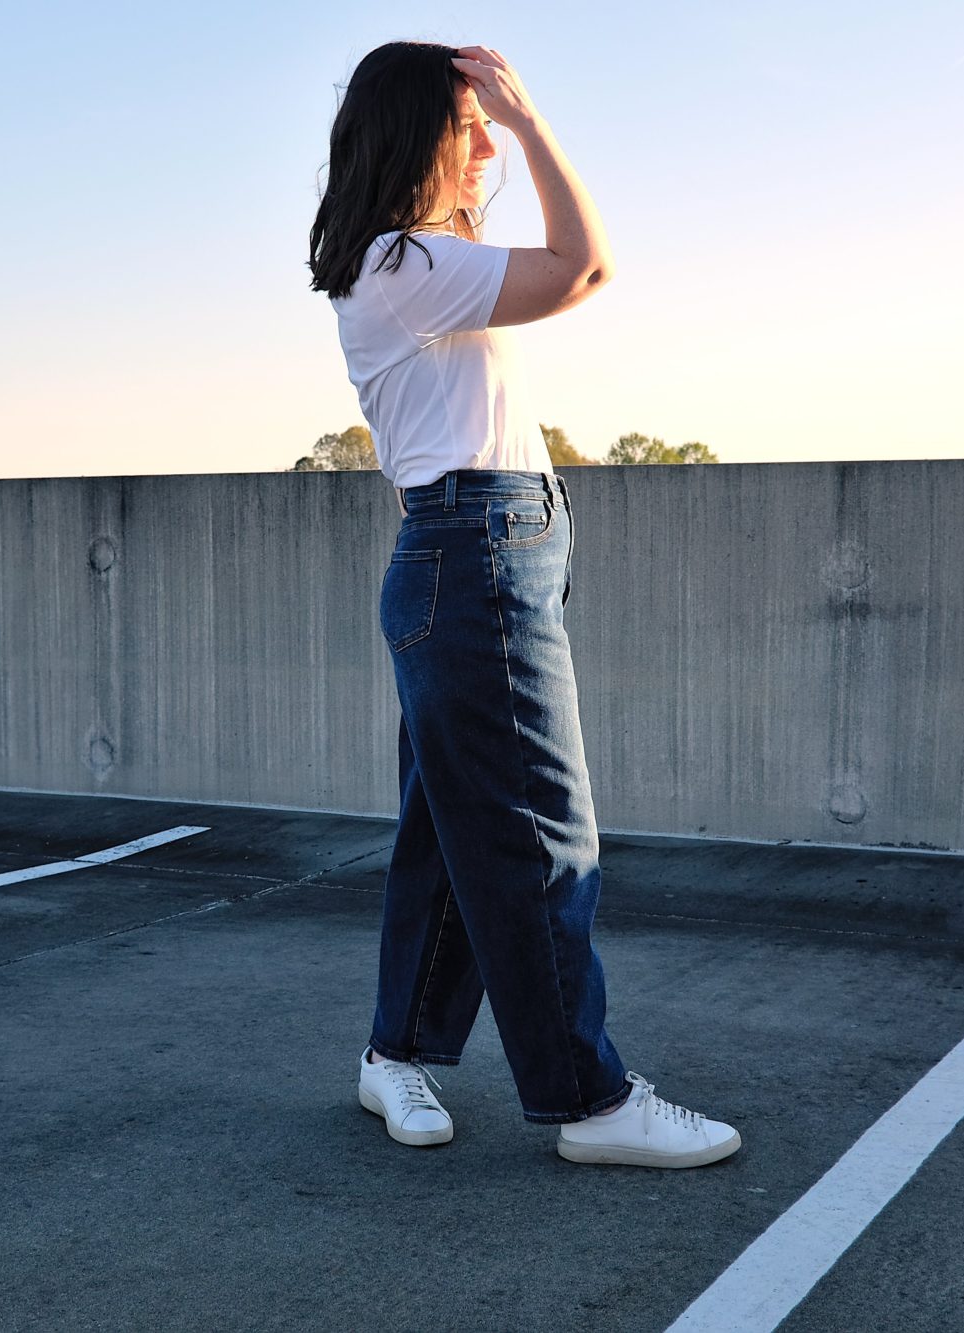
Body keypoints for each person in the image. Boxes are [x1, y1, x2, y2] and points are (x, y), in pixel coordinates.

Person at [308, 41, 741, 1169]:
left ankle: (393, 1051)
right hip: (473, 554)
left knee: (449, 836)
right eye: (470, 127)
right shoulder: (405, 265)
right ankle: (588, 1102)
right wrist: (533, 115)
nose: (487, 145)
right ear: (418, 137)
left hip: (478, 550)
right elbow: (582, 265)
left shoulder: (415, 260)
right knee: (543, 835)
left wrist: (495, 119)